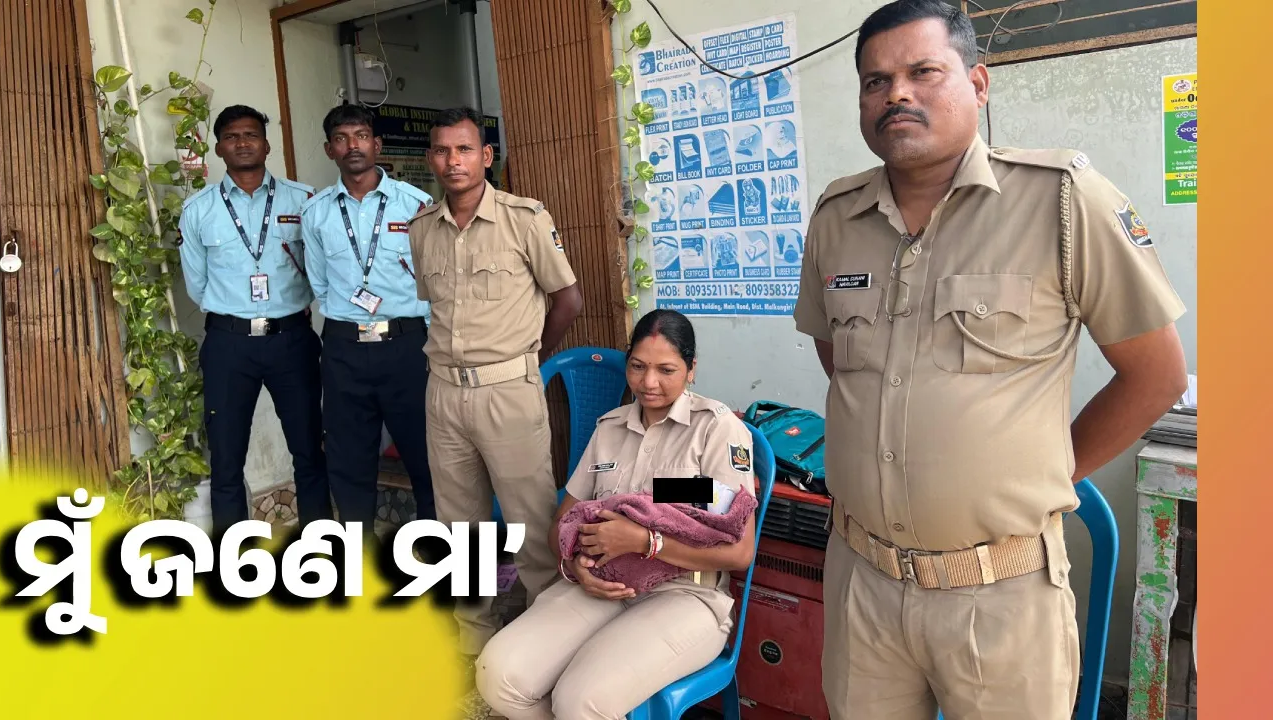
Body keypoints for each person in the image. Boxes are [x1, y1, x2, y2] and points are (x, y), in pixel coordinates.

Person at [794, 2, 1189, 718]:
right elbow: (845, 366)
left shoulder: (1064, 203)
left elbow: (1156, 375)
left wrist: (1043, 470)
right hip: (863, 586)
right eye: (875, 82)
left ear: (978, 83)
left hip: (999, 591)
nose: (898, 95)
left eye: (923, 72)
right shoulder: (835, 218)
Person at [475, 309, 757, 719]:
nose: (649, 383)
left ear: (692, 369)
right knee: (498, 675)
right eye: (638, 367)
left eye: (666, 369)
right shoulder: (610, 428)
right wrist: (575, 565)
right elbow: (563, 523)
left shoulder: (716, 430)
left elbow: (739, 552)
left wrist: (646, 542)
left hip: (687, 595)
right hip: (601, 584)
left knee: (580, 700)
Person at [406, 106, 583, 660]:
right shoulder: (422, 230)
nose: (452, 161)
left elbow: (568, 300)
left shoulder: (524, 219)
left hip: (508, 391)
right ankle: (472, 634)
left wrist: (527, 357)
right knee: (459, 524)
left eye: (464, 149)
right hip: (443, 394)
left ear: (486, 157)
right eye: (441, 150)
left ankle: (546, 637)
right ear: (431, 158)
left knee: (530, 519)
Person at [178, 104, 332, 532]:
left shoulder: (304, 200)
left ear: (267, 144)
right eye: (232, 136)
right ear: (218, 148)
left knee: (308, 450)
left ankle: (320, 546)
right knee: (227, 457)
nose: (242, 143)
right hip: (229, 344)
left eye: (251, 135)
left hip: (292, 339)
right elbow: (197, 284)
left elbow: (320, 267)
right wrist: (237, 312)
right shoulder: (198, 210)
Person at [301, 103, 436, 527]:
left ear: (376, 144)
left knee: (426, 455)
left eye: (360, 136)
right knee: (348, 459)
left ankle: (437, 558)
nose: (352, 146)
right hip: (344, 350)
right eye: (341, 138)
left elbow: (433, 279)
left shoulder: (417, 205)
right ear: (329, 150)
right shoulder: (317, 212)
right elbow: (319, 284)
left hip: (407, 347)